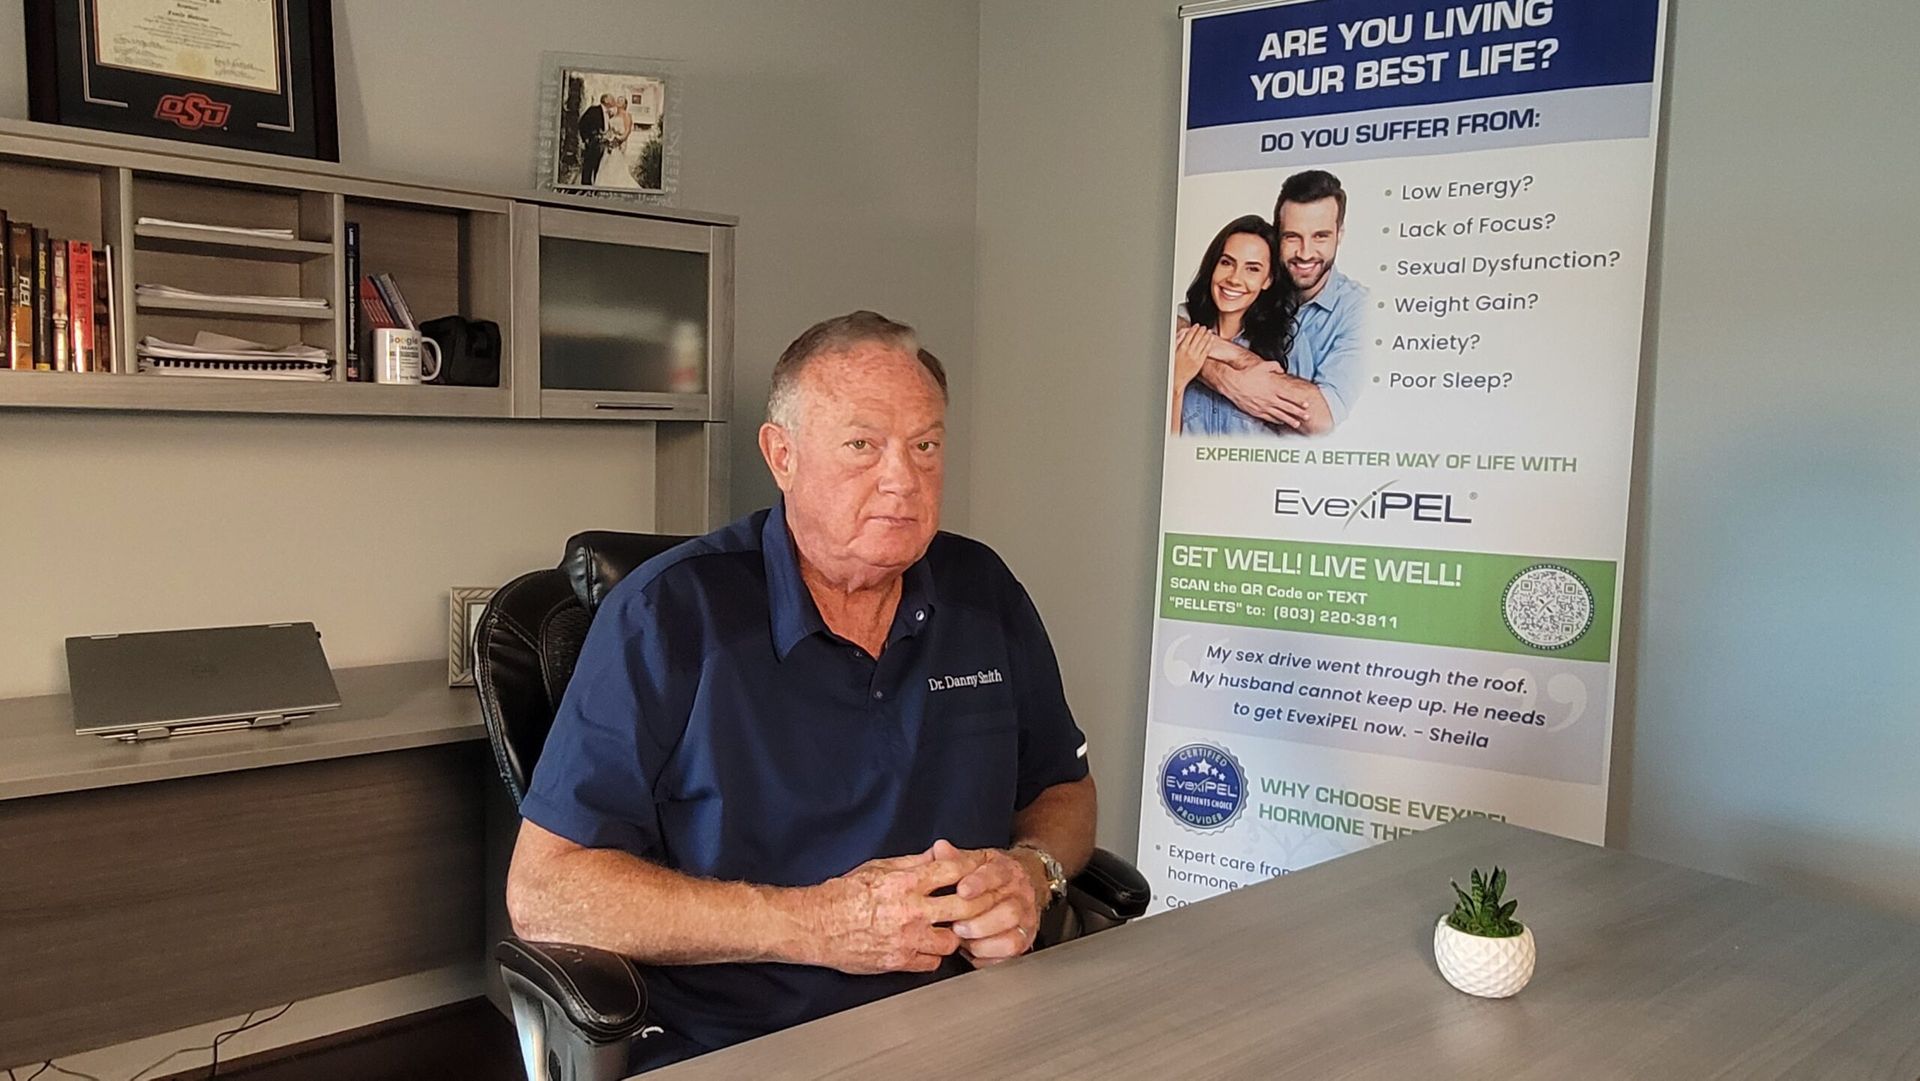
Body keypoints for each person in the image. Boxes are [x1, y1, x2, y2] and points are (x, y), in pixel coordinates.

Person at [506, 311, 1097, 1072]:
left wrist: (1032, 871)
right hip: (746, 1040)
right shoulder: (669, 616)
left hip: (974, 1015)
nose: (902, 478)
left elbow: (1064, 788)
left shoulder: (982, 590)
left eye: (925, 445)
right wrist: (816, 924)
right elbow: (547, 890)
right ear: (781, 455)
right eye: (862, 445)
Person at [1192, 169, 1368, 436]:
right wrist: (1222, 368)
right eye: (1292, 237)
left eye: (1320, 236)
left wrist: (1219, 361)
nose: (1305, 253)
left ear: (1339, 234)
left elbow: (1319, 417)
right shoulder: (1209, 313)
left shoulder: (1358, 311)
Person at [1170, 215, 1298, 436]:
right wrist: (1177, 383)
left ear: (1267, 280)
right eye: (1227, 263)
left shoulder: (1286, 342)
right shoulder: (1181, 329)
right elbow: (1170, 448)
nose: (1234, 279)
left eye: (1252, 269)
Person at [594, 96, 641, 189]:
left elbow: (627, 131)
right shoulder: (613, 115)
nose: (619, 101)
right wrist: (605, 137)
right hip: (610, 143)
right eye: (618, 99)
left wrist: (618, 140)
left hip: (619, 143)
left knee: (616, 162)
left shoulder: (626, 115)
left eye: (622, 100)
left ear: (625, 104)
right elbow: (609, 130)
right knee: (606, 162)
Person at [576, 93, 612, 188]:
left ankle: (596, 186)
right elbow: (582, 123)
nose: (613, 100)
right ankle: (585, 187)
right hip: (593, 143)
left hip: (604, 144)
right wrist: (586, 138)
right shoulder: (593, 110)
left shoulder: (610, 113)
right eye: (611, 98)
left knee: (599, 166)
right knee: (589, 165)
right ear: (606, 100)